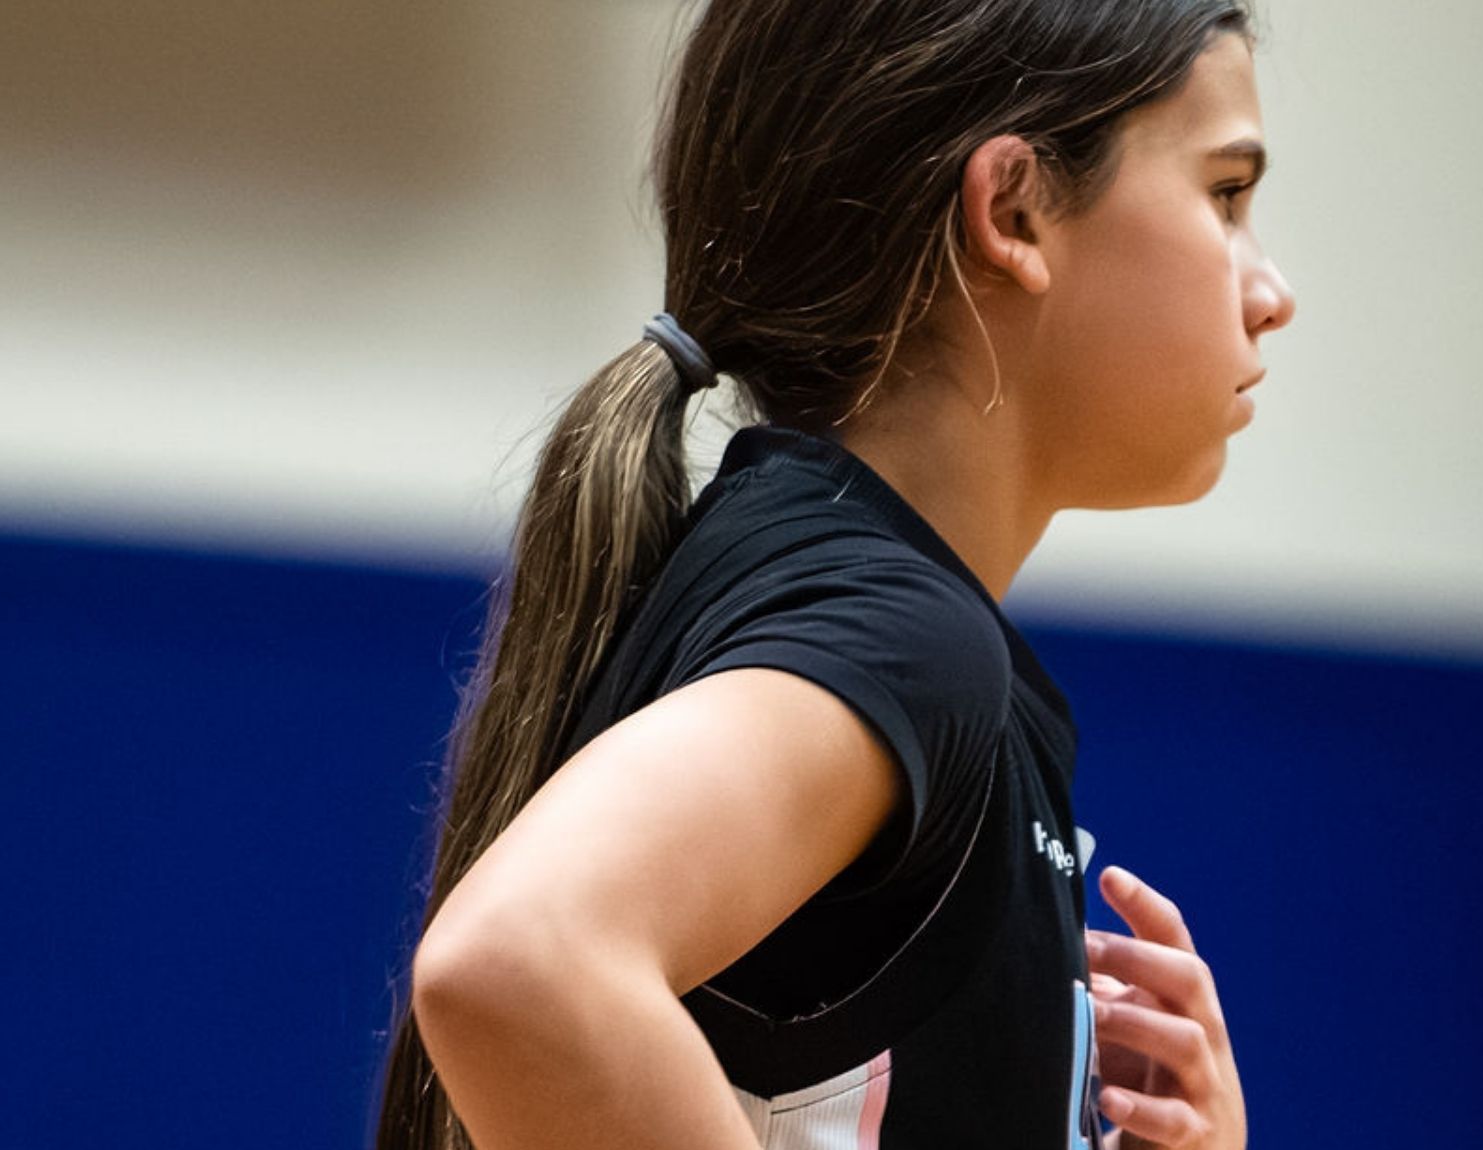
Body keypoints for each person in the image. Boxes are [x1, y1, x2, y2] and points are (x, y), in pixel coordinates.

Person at [376, 0, 1295, 1146]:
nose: (1271, 291)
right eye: (1225, 195)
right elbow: (515, 958)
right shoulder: (905, 637)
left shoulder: (850, 605)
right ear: (1013, 210)